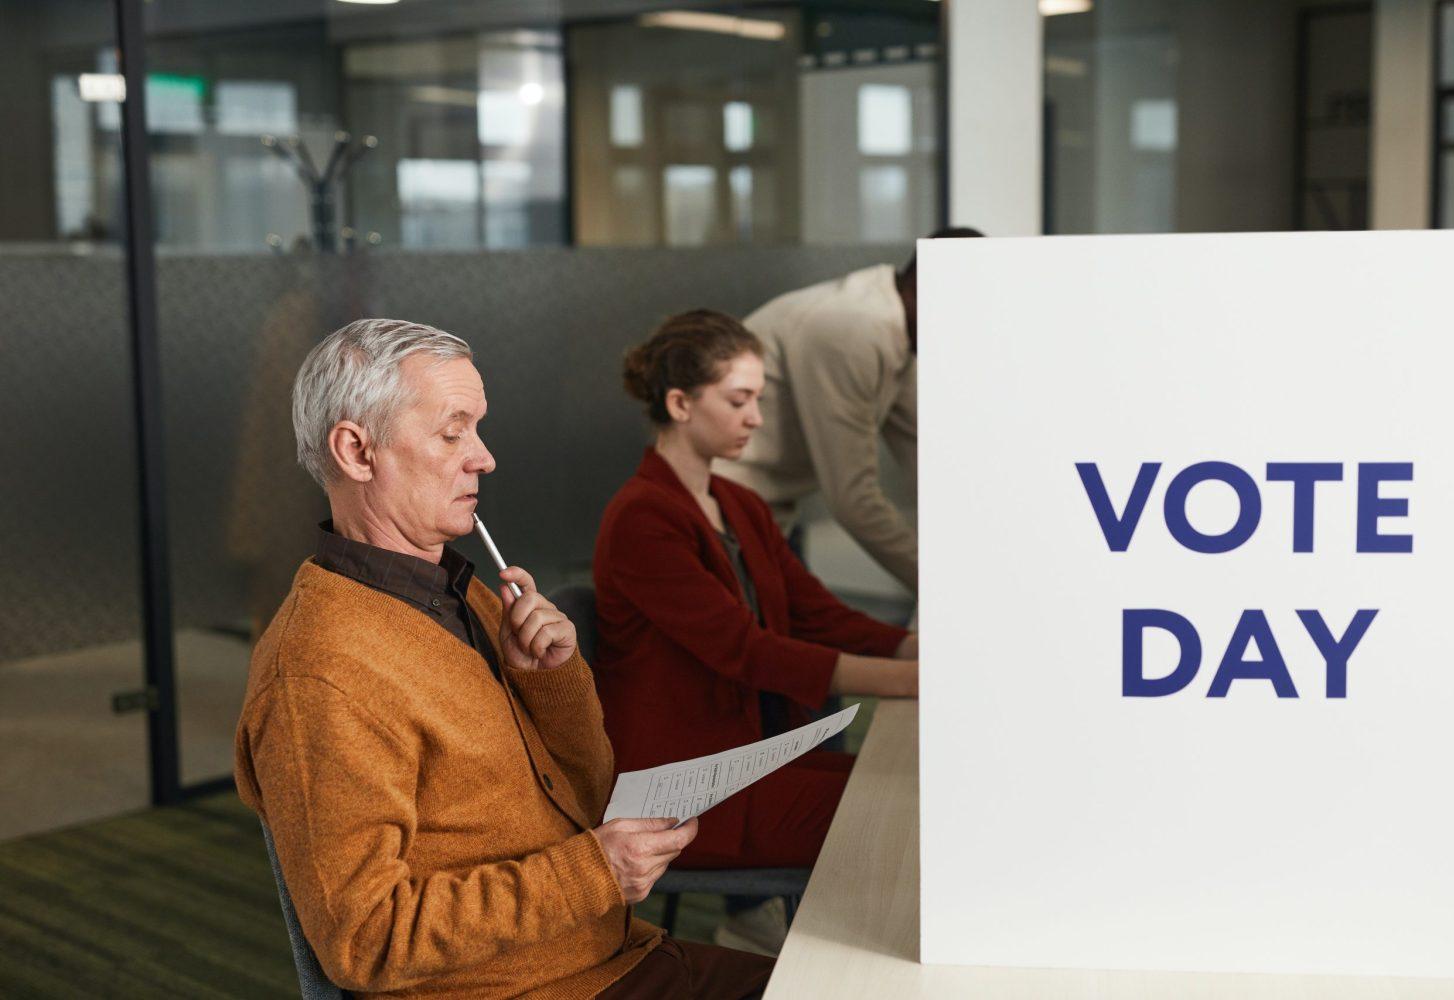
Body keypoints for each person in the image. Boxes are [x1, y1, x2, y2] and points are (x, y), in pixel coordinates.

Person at [234, 318, 771, 999]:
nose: (483, 457)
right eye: (453, 432)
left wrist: (552, 685)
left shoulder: (463, 596)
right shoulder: (322, 672)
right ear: (357, 451)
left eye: (477, 429)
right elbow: (365, 941)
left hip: (613, 957)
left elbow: (586, 797)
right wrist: (594, 873)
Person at [592, 310, 919, 951]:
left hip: (754, 762)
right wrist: (912, 680)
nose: (757, 418)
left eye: (759, 400)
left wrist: (919, 649)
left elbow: (817, 612)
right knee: (899, 813)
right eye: (739, 400)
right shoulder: (641, 518)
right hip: (687, 787)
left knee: (906, 792)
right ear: (681, 403)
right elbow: (747, 653)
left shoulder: (738, 504)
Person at [717, 227, 984, 595]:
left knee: (815, 632)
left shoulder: (899, 329)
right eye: (968, 311)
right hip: (723, 515)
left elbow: (930, 455)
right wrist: (942, 587)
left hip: (767, 513)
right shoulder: (851, 331)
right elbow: (852, 501)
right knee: (793, 641)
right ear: (929, 290)